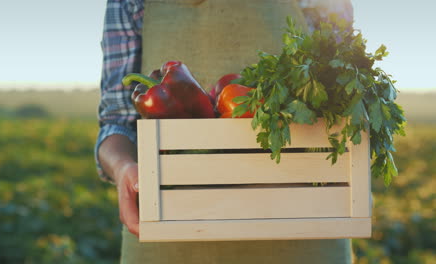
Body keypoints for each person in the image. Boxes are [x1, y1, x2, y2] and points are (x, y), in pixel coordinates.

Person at [95, 0, 354, 263]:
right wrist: (123, 167)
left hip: (307, 235)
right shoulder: (129, 3)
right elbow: (115, 124)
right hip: (166, 237)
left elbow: (345, 92)